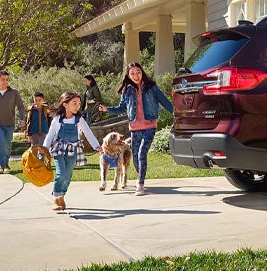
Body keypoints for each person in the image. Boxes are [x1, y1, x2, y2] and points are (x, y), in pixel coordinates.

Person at [98, 62, 173, 196]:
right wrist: (107, 109)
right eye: (132, 73)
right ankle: (141, 175)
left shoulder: (152, 87)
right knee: (135, 158)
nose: (136, 75)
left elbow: (164, 101)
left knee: (142, 153)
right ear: (128, 75)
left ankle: (140, 183)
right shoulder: (127, 90)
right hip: (134, 128)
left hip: (149, 126)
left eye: (138, 72)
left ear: (142, 72)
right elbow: (121, 108)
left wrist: (175, 113)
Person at [43, 91, 102, 211]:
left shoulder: (78, 119)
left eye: (79, 103)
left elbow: (88, 132)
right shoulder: (57, 119)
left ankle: (62, 196)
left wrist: (96, 145)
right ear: (65, 104)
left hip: (73, 150)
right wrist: (44, 148)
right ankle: (55, 197)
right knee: (61, 173)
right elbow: (50, 135)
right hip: (59, 149)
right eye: (74, 103)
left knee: (68, 175)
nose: (77, 106)